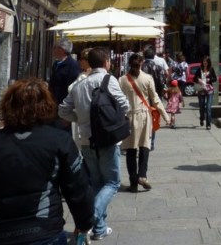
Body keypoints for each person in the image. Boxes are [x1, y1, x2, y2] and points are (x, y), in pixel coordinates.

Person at [0, 78, 94, 245]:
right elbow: (78, 188)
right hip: (45, 232)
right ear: (46, 106)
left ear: (7, 106)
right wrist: (84, 222)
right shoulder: (59, 141)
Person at [58, 47, 129, 241]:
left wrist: (81, 119)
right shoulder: (109, 80)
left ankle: (100, 228)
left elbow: (62, 110)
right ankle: (88, 221)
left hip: (86, 141)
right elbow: (125, 105)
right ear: (106, 62)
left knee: (96, 183)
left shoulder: (79, 85)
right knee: (112, 182)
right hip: (107, 139)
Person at [120, 53, 168, 193]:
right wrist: (166, 116)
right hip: (145, 116)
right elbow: (155, 100)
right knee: (144, 147)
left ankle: (133, 183)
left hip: (129, 117)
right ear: (141, 63)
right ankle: (142, 175)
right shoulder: (148, 78)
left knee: (130, 151)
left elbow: (118, 100)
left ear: (129, 64)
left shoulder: (122, 80)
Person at [49, 38, 80, 126]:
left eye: (55, 47)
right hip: (54, 106)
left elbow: (73, 90)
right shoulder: (56, 64)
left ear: (62, 49)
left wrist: (68, 114)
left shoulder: (72, 65)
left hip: (64, 108)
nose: (53, 50)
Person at [193, 56, 217, 129]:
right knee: (202, 107)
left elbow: (215, 79)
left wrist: (210, 79)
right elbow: (194, 78)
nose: (205, 63)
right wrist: (198, 80)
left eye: (206, 61)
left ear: (208, 62)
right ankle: (202, 118)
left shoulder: (211, 69)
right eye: (204, 61)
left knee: (208, 107)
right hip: (201, 90)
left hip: (209, 90)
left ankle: (208, 124)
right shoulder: (199, 69)